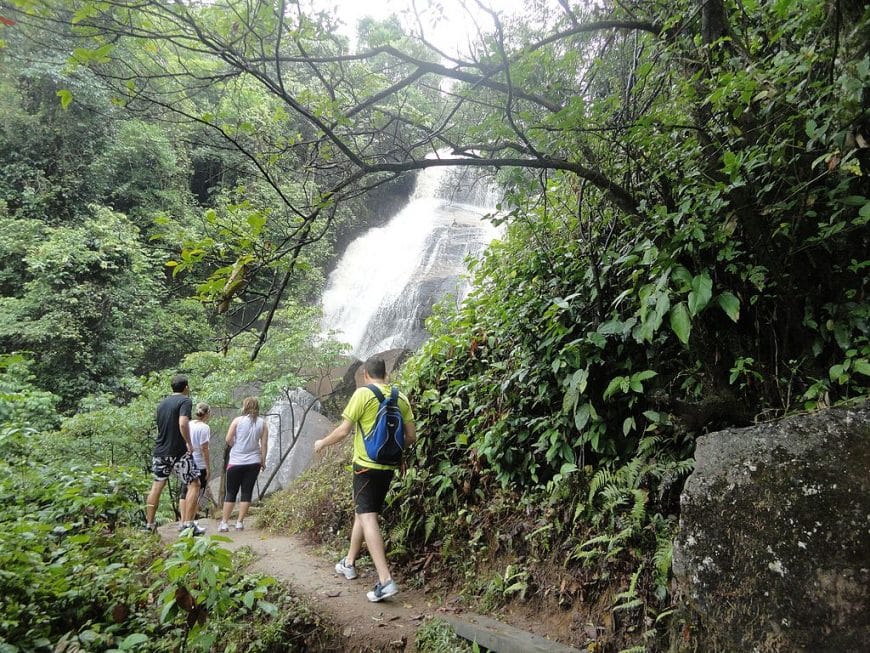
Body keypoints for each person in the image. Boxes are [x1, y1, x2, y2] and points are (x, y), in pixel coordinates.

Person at [314, 357, 417, 602]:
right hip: (388, 467)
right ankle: (349, 562)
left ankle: (385, 580)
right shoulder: (400, 398)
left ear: (365, 375)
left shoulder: (363, 394)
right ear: (386, 374)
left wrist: (321, 443)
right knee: (365, 511)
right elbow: (411, 436)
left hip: (365, 467)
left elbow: (343, 430)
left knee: (367, 516)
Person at [144, 374, 204, 536]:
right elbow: (183, 422)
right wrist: (189, 443)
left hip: (160, 451)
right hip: (178, 452)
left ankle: (149, 525)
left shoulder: (162, 404)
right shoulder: (185, 401)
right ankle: (188, 524)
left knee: (157, 486)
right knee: (194, 483)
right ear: (186, 387)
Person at [219, 396, 269, 532]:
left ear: (244, 406)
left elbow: (228, 439)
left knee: (231, 492)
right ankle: (239, 522)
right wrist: (263, 460)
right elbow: (264, 444)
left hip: (236, 461)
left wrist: (236, 445)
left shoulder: (237, 421)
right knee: (247, 492)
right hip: (254, 462)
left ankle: (224, 523)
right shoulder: (263, 423)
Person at [178, 402, 212, 529]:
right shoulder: (204, 428)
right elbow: (204, 448)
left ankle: (183, 521)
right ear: (207, 413)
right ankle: (190, 521)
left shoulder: (189, 424)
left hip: (187, 461)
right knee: (196, 492)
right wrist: (208, 468)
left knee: (184, 491)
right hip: (199, 463)